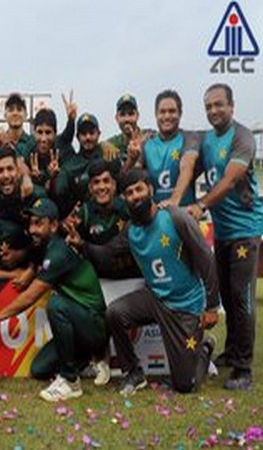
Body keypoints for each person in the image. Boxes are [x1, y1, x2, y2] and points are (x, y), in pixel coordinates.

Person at [171, 83, 262, 390]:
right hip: (222, 233)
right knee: (227, 296)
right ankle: (232, 351)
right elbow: (188, 164)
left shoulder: (243, 137)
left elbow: (230, 179)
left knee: (242, 298)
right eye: (208, 106)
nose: (213, 111)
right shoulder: (205, 139)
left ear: (232, 106)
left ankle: (244, 368)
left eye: (219, 105)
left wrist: (200, 205)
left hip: (246, 232)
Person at [0, 198, 107, 401]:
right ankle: (85, 361)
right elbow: (33, 262)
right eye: (31, 223)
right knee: (39, 369)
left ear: (54, 225)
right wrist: (29, 270)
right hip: (78, 326)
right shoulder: (44, 248)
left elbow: (31, 295)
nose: (32, 229)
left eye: (39, 223)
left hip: (94, 325)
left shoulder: (58, 252)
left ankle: (71, 381)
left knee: (55, 304)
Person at [107, 169, 219, 395]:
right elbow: (107, 253)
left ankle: (205, 347)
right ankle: (134, 372)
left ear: (150, 189)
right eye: (129, 192)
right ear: (125, 199)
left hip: (185, 306)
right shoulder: (131, 229)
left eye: (139, 189)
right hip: (155, 298)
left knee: (185, 385)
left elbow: (206, 259)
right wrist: (79, 244)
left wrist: (212, 307)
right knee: (114, 313)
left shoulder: (175, 217)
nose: (135, 195)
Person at [65, 159, 139, 279]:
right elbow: (67, 231)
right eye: (96, 182)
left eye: (106, 181)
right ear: (90, 187)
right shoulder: (85, 211)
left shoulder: (127, 208)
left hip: (131, 275)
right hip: (101, 277)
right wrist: (66, 227)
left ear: (114, 185)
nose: (101, 187)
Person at [127, 90, 196, 205]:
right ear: (156, 114)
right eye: (162, 112)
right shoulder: (146, 144)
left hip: (184, 216)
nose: (167, 116)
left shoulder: (189, 139)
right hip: (156, 217)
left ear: (180, 113)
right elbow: (132, 179)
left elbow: (187, 167)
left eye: (172, 111)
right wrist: (131, 159)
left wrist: (174, 199)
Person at [53, 113, 120, 219]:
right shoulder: (70, 166)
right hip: (83, 219)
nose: (88, 137)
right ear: (78, 137)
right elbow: (60, 192)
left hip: (112, 217)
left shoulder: (109, 154)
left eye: (91, 133)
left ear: (99, 134)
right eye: (83, 134)